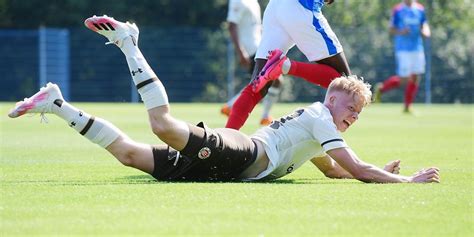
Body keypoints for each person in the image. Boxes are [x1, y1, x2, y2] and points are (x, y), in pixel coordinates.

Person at [8, 16, 440, 183]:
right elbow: (355, 167)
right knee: (162, 124)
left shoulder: (319, 128)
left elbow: (336, 170)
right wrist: (405, 182)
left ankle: (57, 105)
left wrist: (378, 171)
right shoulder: (322, 117)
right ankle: (128, 43)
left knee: (128, 155)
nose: (355, 118)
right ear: (333, 101)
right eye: (354, 110)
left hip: (228, 165)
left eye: (359, 114)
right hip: (242, 151)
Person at [225, 0, 351, 130]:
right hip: (301, 6)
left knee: (257, 86)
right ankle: (285, 66)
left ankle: (224, 140)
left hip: (276, 7)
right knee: (346, 83)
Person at [221, 0, 281, 126]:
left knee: (265, 80)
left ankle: (231, 106)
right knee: (270, 79)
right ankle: (263, 115)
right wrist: (241, 51)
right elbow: (232, 25)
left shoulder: (253, 2)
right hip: (250, 49)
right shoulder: (237, 1)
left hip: (260, 47)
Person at [374, 0, 430, 113]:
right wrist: (401, 31)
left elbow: (424, 25)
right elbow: (391, 29)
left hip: (417, 48)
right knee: (404, 79)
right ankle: (381, 89)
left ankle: (407, 107)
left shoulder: (420, 9)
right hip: (403, 49)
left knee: (415, 77)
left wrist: (425, 32)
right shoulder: (398, 9)